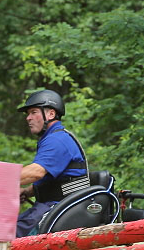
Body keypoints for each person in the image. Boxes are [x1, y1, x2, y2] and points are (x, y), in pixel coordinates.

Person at [15, 89, 90, 237]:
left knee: (8, 234)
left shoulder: (57, 140)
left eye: (34, 112)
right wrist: (28, 192)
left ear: (51, 114)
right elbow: (54, 180)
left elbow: (36, 172)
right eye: (28, 114)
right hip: (53, 205)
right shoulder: (52, 138)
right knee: (11, 228)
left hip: (60, 208)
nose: (28, 118)